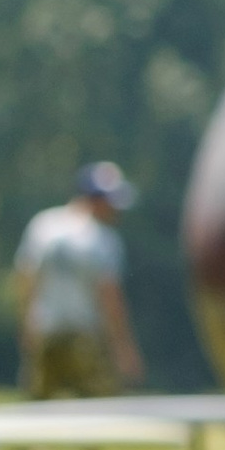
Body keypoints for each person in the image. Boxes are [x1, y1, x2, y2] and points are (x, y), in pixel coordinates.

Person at [13, 163, 143, 399]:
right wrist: (124, 349)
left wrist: (26, 327)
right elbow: (109, 297)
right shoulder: (104, 239)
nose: (116, 210)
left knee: (39, 414)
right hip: (85, 339)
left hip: (46, 335)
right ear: (95, 198)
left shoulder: (44, 225)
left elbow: (25, 280)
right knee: (103, 409)